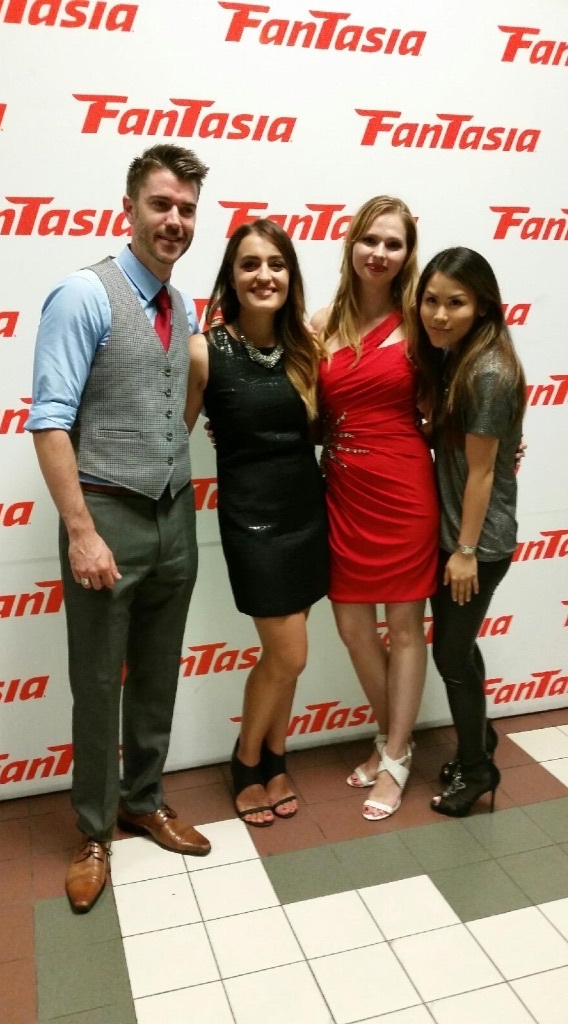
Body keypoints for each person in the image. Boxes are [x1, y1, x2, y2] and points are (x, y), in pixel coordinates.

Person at [26, 143, 212, 913]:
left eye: (187, 209)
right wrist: (81, 531)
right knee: (100, 684)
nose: (174, 221)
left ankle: (144, 799)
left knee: (158, 673)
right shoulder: (84, 294)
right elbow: (49, 421)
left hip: (174, 516)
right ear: (129, 209)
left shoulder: (182, 305)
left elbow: (173, 403)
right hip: (105, 516)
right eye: (161, 204)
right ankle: (95, 830)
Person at [185, 219, 329, 827]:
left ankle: (276, 758)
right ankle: (246, 762)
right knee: (289, 655)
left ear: (290, 275)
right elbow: (173, 439)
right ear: (231, 276)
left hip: (307, 514)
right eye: (249, 264)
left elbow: (328, 428)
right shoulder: (203, 350)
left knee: (287, 655)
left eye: (276, 263)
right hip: (253, 524)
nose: (264, 275)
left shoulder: (307, 348)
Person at [311, 196, 440, 821]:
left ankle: (393, 755)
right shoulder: (320, 323)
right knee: (353, 627)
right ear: (351, 243)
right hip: (342, 492)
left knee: (406, 627)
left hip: (405, 490)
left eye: (394, 243)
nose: (380, 253)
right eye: (371, 240)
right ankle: (397, 740)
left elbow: (453, 399)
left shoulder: (422, 324)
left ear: (408, 254)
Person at [414, 246, 526, 816]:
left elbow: (481, 473)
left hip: (476, 543)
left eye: (455, 303)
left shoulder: (486, 370)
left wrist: (464, 551)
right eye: (431, 300)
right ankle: (479, 739)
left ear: (482, 305)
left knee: (451, 657)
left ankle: (478, 769)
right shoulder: (458, 356)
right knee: (459, 650)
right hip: (459, 535)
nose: (439, 314)